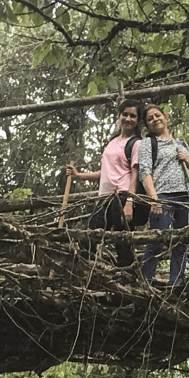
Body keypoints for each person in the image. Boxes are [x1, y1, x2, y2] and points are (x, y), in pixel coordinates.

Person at [66, 99, 146, 264]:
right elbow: (105, 173)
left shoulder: (136, 143)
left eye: (133, 116)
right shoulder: (112, 142)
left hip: (122, 197)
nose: (128, 119)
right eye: (125, 114)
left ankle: (127, 280)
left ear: (138, 120)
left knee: (122, 242)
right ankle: (89, 274)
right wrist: (79, 175)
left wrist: (130, 202)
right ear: (119, 116)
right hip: (104, 198)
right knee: (89, 237)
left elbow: (134, 174)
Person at [137, 104, 189, 286]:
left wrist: (186, 160)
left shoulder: (181, 144)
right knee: (156, 240)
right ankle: (144, 284)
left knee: (182, 243)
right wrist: (154, 198)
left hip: (187, 196)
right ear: (147, 126)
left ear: (165, 117)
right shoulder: (148, 143)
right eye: (150, 119)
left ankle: (176, 285)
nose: (155, 119)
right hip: (163, 196)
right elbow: (144, 172)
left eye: (158, 115)